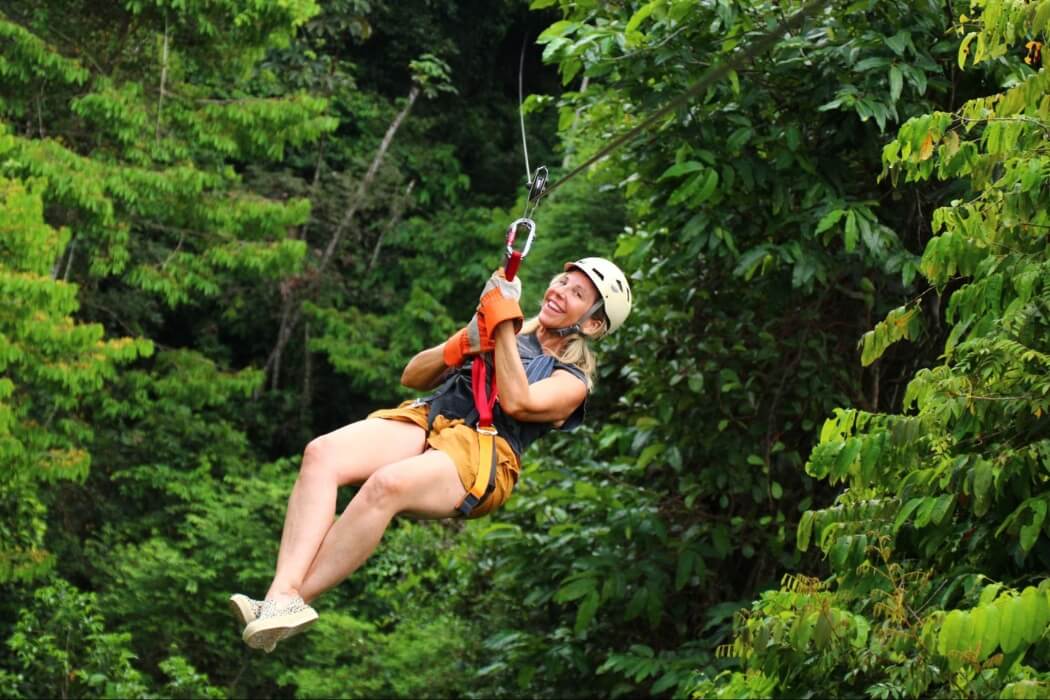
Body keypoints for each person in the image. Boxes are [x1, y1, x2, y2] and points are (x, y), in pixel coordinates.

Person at [228, 257, 632, 652]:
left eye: (577, 294)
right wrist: (465, 341)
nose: (560, 292)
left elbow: (517, 400)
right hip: (434, 417)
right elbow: (413, 374)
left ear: (593, 324)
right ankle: (281, 594)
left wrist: (503, 321)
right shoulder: (503, 331)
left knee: (388, 484)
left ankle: (291, 601)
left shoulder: (571, 381)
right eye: (563, 282)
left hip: (484, 449)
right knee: (322, 454)